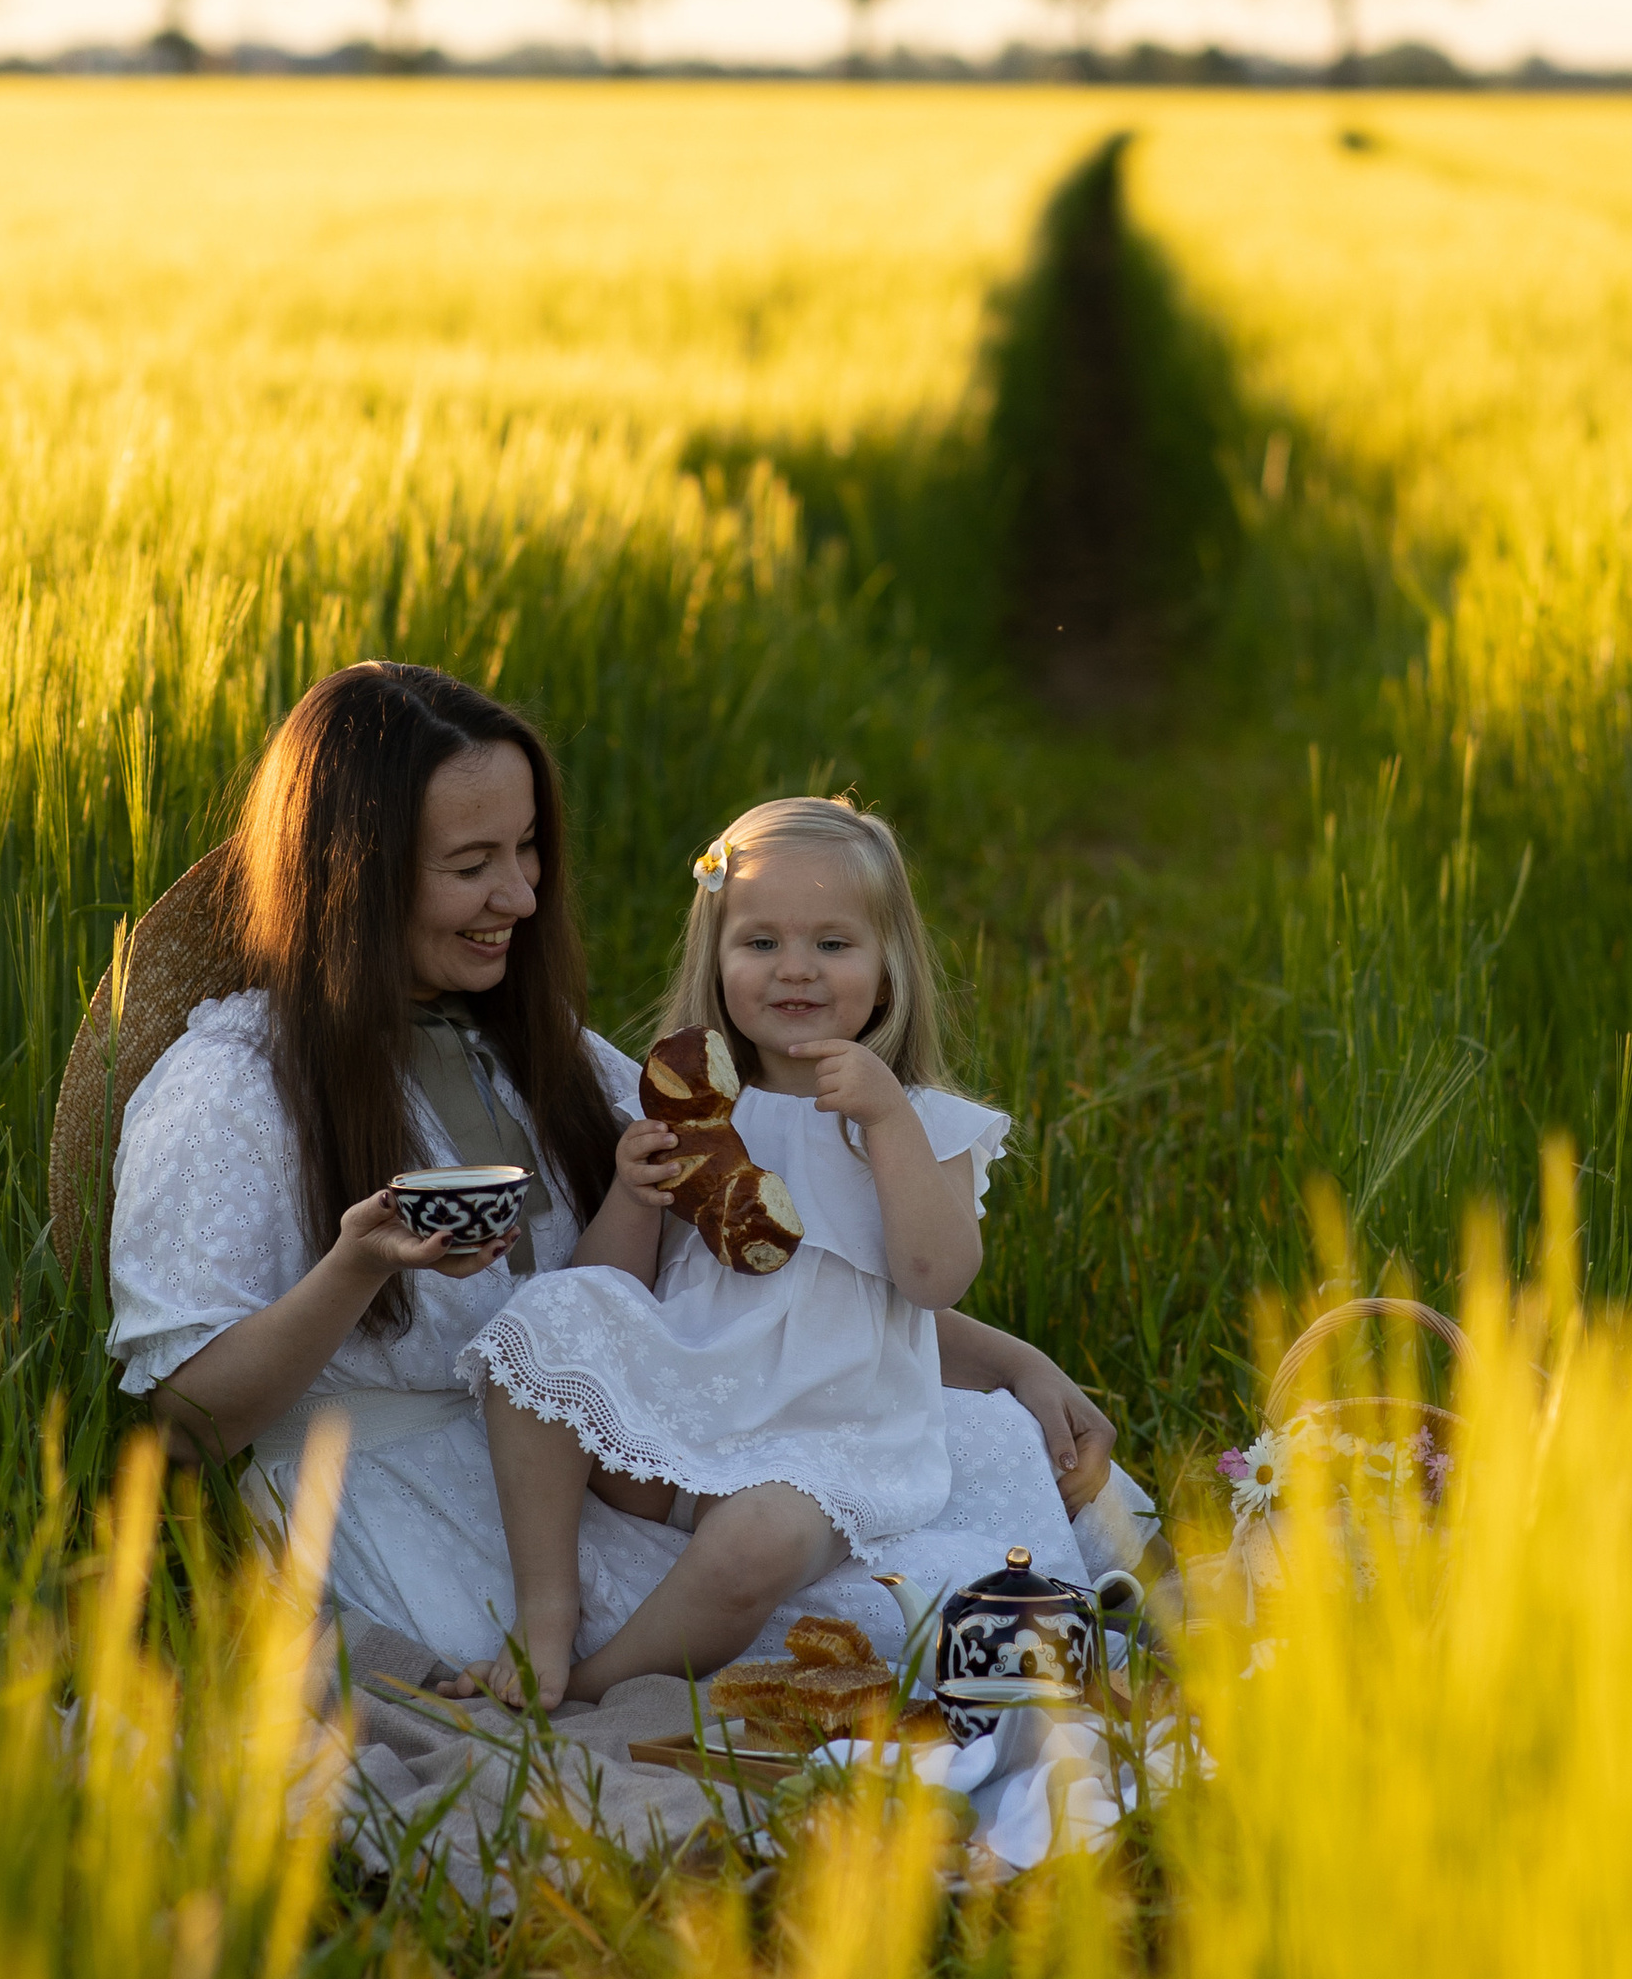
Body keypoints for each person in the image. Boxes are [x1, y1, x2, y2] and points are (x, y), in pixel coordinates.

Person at [106, 661, 1119, 1682]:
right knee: (845, 1622)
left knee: (981, 1451)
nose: (520, 893)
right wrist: (354, 1269)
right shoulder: (232, 1089)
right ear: (360, 876)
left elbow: (784, 1285)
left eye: (530, 848)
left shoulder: (551, 1056)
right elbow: (185, 1424)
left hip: (617, 1444)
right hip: (408, 1498)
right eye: (471, 864)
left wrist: (1018, 1366)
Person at [459, 796, 1043, 1706]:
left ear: (888, 971)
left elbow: (935, 1278)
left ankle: (592, 1689)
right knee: (538, 1323)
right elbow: (611, 1294)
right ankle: (547, 1614)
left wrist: (886, 1118)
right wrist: (633, 1192)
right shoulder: (696, 1107)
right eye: (761, 942)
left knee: (755, 1545)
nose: (795, 971)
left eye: (833, 945)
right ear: (717, 959)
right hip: (684, 1406)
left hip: (826, 1442)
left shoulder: (925, 1124)